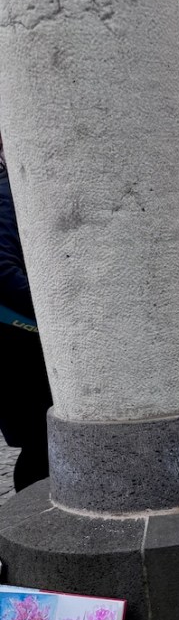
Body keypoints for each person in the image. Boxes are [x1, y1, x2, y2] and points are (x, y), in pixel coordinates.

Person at [0, 137, 53, 491]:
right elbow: (4, 272)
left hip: (16, 346)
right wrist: (56, 313)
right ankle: (33, 515)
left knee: (39, 442)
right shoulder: (8, 192)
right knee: (41, 442)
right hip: (20, 345)